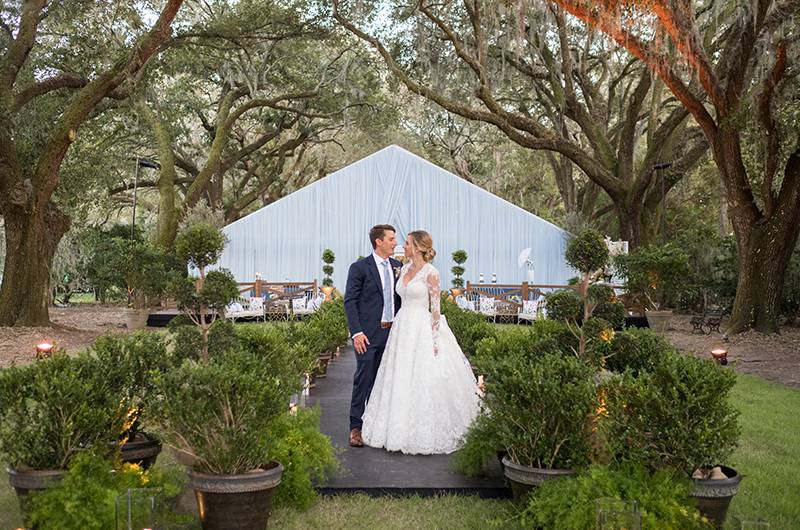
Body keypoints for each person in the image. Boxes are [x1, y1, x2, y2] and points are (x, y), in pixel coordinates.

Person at [361, 230, 480, 454]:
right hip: (401, 327)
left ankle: (422, 431)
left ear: (416, 247)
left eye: (406, 244)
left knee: (420, 376)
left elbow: (436, 310)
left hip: (420, 328)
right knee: (399, 375)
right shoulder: (403, 269)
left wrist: (435, 341)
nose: (401, 247)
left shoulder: (431, 273)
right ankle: (393, 428)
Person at [343, 224, 403, 448]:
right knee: (364, 378)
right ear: (379, 241)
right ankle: (356, 427)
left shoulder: (398, 266)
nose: (395, 243)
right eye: (391, 239)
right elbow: (350, 301)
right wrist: (356, 332)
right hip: (367, 335)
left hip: (393, 333)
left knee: (385, 380)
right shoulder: (359, 268)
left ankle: (377, 426)